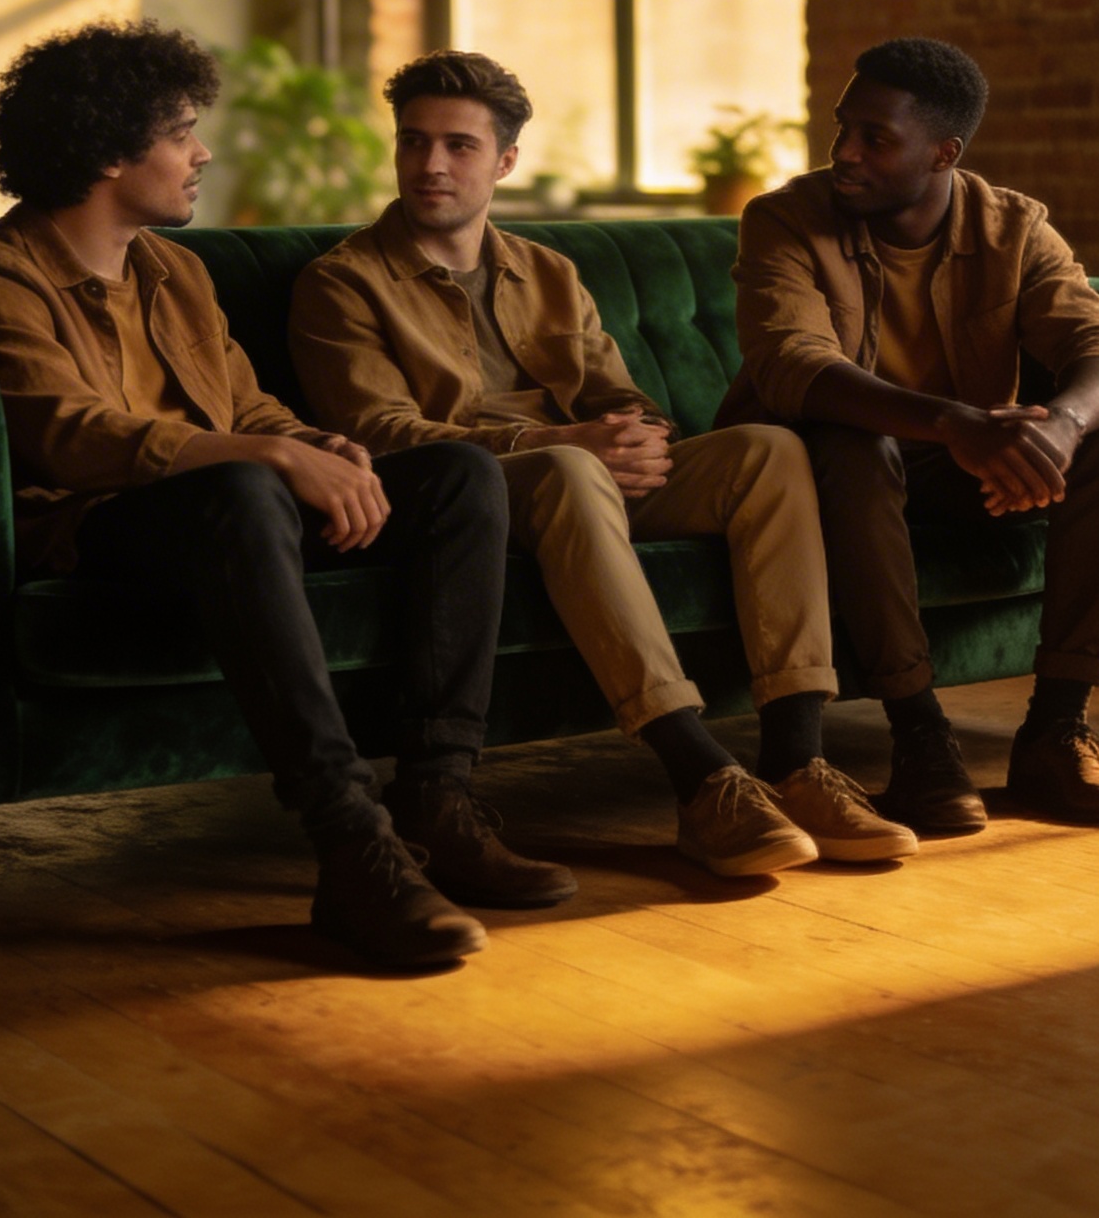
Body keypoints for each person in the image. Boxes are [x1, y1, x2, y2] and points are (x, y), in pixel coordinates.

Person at [0, 20, 573, 971]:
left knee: (460, 475)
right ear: (108, 148)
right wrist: (267, 461)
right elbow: (72, 435)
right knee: (242, 488)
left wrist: (320, 447)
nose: (202, 151)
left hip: (237, 512)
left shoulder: (174, 270)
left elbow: (249, 401)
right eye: (182, 131)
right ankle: (352, 845)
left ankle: (437, 800)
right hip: (100, 531)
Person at [288, 49, 920, 879]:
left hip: (588, 482)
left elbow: (619, 395)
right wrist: (559, 445)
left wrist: (637, 439)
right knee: (569, 470)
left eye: (459, 146)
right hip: (474, 500)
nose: (430, 165)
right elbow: (380, 434)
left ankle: (796, 762)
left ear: (506, 160)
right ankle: (701, 778)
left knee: (768, 450)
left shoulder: (546, 271)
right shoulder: (342, 284)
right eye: (414, 142)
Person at [719, 37, 1099, 830]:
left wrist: (1060, 424)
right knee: (853, 442)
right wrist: (957, 422)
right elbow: (790, 363)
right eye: (842, 129)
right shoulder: (783, 219)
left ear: (944, 152)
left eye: (874, 139)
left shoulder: (1015, 227)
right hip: (828, 478)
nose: (845, 153)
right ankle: (922, 742)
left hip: (960, 472)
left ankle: (1057, 732)